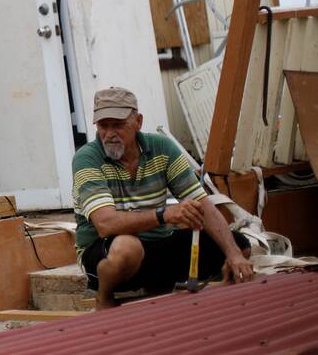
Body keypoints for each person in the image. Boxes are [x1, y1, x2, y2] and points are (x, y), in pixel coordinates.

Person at [72, 86, 254, 308]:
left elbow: (203, 204)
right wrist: (165, 214)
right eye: (103, 126)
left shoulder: (162, 148)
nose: (109, 134)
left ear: (138, 122)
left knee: (239, 245)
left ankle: (162, 288)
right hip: (106, 251)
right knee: (127, 248)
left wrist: (233, 254)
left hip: (156, 244)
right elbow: (105, 224)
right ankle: (105, 295)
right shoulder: (87, 158)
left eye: (118, 125)